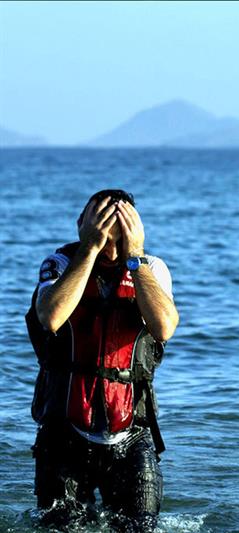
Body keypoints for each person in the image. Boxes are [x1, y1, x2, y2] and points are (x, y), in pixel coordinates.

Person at [25, 190, 179, 531]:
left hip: (131, 434)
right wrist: (90, 248)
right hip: (64, 432)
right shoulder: (60, 263)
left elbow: (165, 327)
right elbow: (50, 317)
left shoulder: (152, 269)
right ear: (82, 225)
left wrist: (134, 256)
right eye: (97, 225)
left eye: (116, 232)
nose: (110, 245)